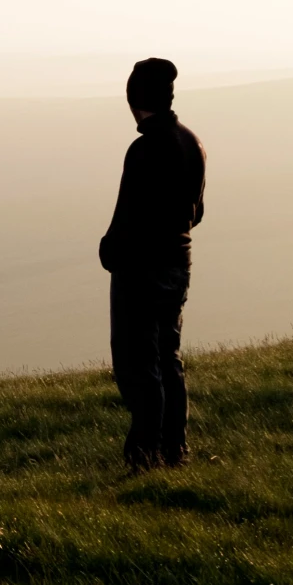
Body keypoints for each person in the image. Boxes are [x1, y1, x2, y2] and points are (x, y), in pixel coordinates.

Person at [99, 57, 206, 469]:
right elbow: (196, 213)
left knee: (137, 365)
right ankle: (174, 449)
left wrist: (109, 250)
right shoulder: (191, 142)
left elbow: (126, 216)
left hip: (139, 271)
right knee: (168, 357)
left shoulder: (144, 149)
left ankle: (144, 455)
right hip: (178, 265)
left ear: (133, 100)